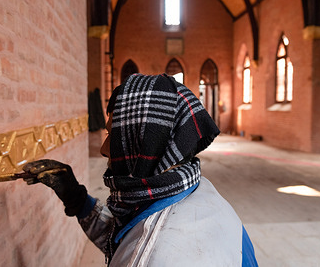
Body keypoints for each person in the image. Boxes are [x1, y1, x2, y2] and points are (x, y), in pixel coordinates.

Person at [23, 73, 258, 266]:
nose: (105, 150)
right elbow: (126, 240)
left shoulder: (152, 258)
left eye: (113, 137)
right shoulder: (198, 192)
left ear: (144, 143)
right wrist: (77, 199)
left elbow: (139, 249)